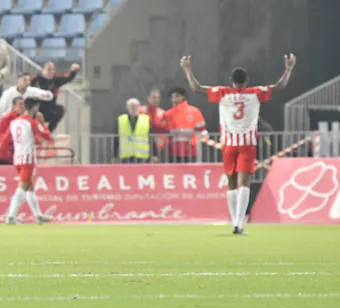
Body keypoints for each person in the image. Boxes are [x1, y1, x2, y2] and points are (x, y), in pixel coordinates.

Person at [180, 53, 296, 235]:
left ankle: (235, 221)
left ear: (231, 81)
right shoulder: (254, 93)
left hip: (229, 143)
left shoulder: (223, 93)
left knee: (231, 183)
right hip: (247, 143)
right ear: (246, 81)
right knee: (245, 182)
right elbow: (280, 86)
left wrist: (187, 69)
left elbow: (197, 88)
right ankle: (239, 224)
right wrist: (288, 68)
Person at [0, 98, 53, 225]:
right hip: (28, 158)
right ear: (34, 108)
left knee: (30, 187)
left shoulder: (14, 122)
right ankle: (11, 216)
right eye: (37, 107)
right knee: (23, 186)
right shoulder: (32, 122)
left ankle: (38, 215)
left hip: (17, 158)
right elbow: (47, 136)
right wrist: (42, 122)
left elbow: (5, 140)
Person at [31, 61, 80, 132]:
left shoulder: (56, 79)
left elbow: (68, 78)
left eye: (51, 70)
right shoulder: (35, 79)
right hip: (37, 108)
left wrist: (73, 70)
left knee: (61, 110)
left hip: (49, 108)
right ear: (43, 70)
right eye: (48, 69)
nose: (49, 72)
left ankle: (48, 132)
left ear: (54, 71)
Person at [163, 86, 206, 164]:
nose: (173, 99)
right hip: (173, 150)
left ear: (182, 97)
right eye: (172, 97)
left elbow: (201, 129)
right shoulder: (168, 114)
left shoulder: (194, 111)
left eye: (176, 96)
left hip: (190, 150)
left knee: (190, 173)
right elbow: (164, 130)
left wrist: (194, 142)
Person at [114, 98, 152, 164]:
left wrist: (154, 154)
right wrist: (115, 155)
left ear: (139, 107)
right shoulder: (121, 120)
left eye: (136, 106)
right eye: (131, 106)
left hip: (142, 157)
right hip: (126, 157)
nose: (134, 108)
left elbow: (151, 138)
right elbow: (116, 139)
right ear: (127, 108)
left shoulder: (146, 119)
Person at [0, 96, 25, 166]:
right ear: (14, 106)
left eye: (23, 104)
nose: (22, 106)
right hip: (6, 155)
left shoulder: (25, 120)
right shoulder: (5, 119)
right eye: (20, 104)